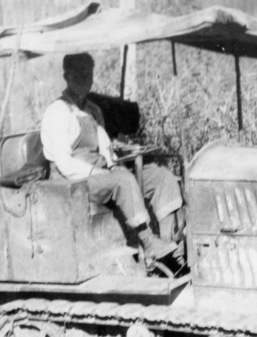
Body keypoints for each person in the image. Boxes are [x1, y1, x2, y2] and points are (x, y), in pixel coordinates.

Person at [40, 52, 182, 261]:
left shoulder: (92, 110)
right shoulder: (58, 112)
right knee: (123, 181)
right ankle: (149, 242)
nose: (84, 80)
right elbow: (65, 164)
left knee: (160, 175)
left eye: (87, 75)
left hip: (100, 175)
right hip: (73, 182)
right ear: (66, 77)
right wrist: (101, 172)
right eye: (77, 75)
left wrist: (116, 163)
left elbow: (105, 148)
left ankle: (169, 244)